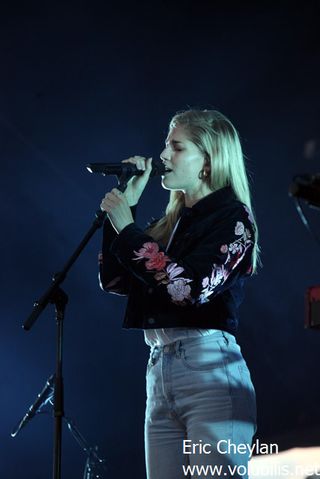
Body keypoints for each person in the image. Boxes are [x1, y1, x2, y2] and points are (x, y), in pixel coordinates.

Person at [99, 109, 259, 479]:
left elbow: (187, 288)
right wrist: (128, 212)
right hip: (159, 369)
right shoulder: (167, 224)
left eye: (177, 146)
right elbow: (115, 281)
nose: (164, 156)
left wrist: (127, 228)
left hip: (209, 371)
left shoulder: (233, 219)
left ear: (208, 159)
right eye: (165, 145)